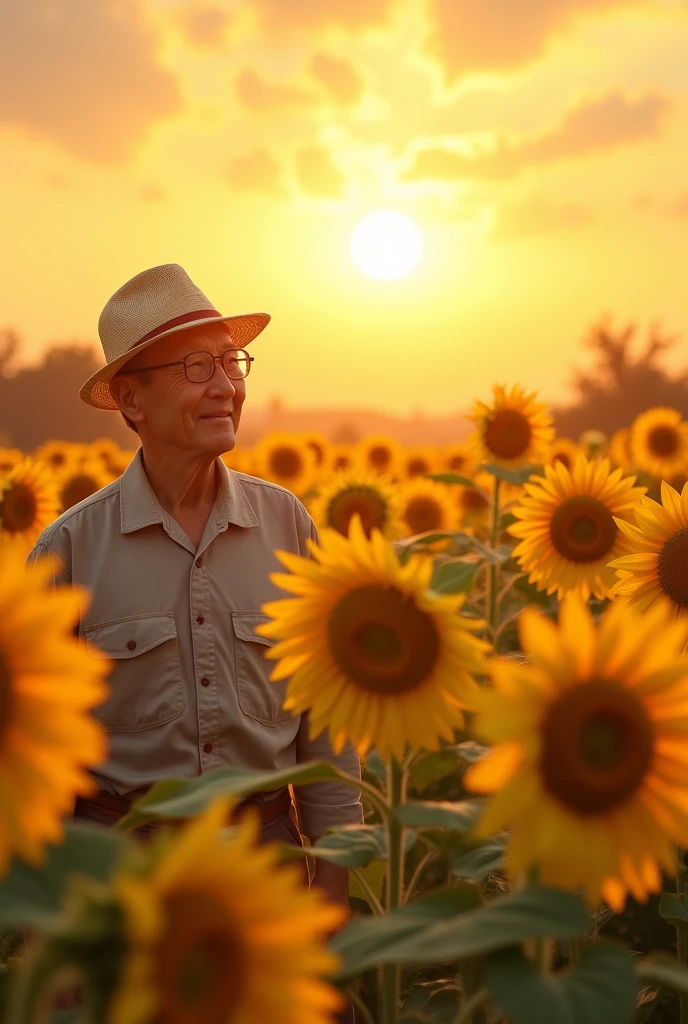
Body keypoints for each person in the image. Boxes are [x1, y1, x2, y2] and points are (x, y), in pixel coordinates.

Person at [27, 263, 364, 918]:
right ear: (131, 400)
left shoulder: (287, 525)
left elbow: (327, 722)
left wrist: (333, 869)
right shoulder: (68, 551)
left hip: (267, 860)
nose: (227, 387)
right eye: (197, 368)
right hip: (121, 872)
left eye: (232, 362)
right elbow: (39, 754)